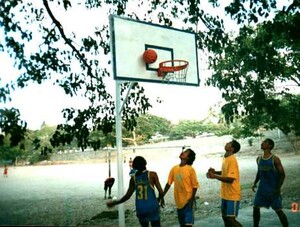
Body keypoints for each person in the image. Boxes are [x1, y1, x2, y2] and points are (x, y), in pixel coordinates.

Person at [106, 156, 164, 227]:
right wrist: (160, 199)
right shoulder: (152, 174)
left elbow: (127, 196)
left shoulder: (133, 179)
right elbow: (161, 192)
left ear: (135, 166)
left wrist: (115, 202)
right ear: (145, 163)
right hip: (152, 207)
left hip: (140, 208)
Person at [252, 138, 288, 227]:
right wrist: (255, 182)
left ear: (270, 146)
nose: (262, 143)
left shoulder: (275, 159)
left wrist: (278, 188)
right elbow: (259, 172)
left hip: (272, 189)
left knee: (279, 210)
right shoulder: (259, 158)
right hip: (261, 189)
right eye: (263, 142)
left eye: (265, 142)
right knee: (255, 207)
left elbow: (282, 175)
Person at [207, 140, 242, 227]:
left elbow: (230, 179)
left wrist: (214, 176)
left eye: (229, 143)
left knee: (231, 219)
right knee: (225, 217)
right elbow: (225, 173)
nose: (226, 143)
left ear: (232, 148)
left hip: (232, 194)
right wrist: (215, 172)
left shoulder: (232, 160)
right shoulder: (225, 158)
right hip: (225, 194)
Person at [163, 148, 199, 227]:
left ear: (188, 158)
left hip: (188, 202)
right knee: (182, 224)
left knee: (188, 225)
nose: (183, 152)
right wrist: (162, 195)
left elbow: (195, 186)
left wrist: (191, 199)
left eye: (186, 152)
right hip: (178, 202)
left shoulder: (190, 169)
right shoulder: (174, 168)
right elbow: (168, 183)